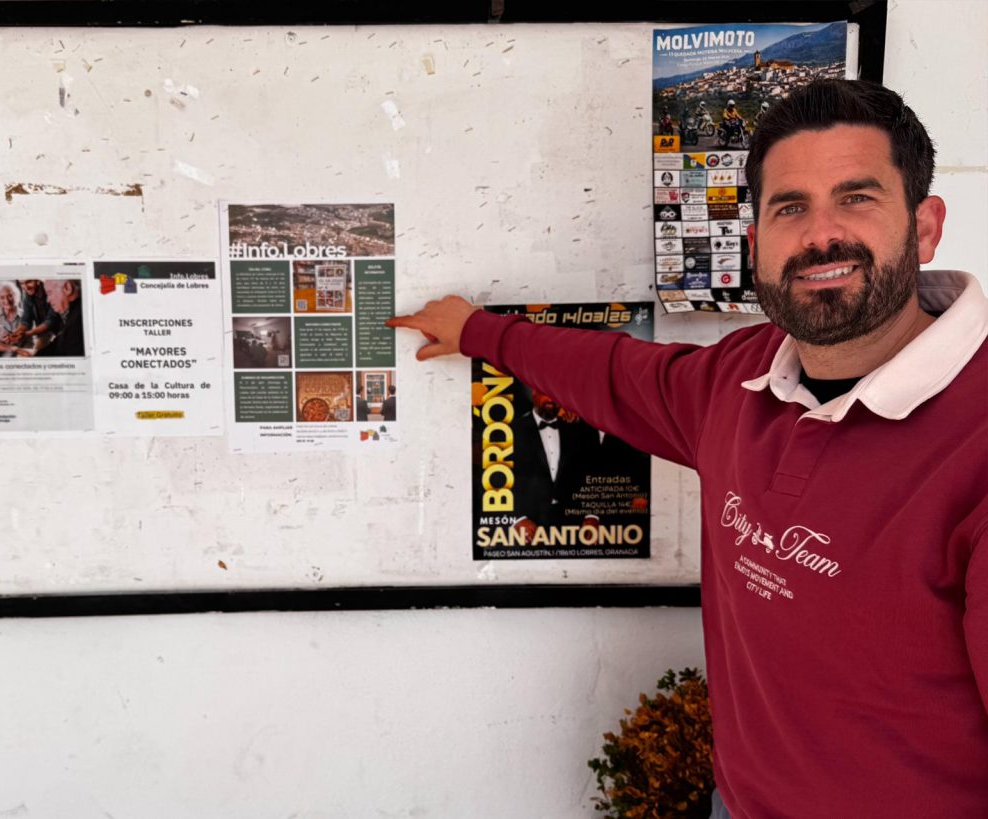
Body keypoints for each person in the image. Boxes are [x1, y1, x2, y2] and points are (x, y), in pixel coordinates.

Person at [388, 80, 988, 816]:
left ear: (925, 227)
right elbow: (613, 375)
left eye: (856, 197)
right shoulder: (739, 377)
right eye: (790, 207)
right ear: (756, 246)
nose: (821, 235)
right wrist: (479, 333)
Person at [509, 389, 599, 543]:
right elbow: (499, 479)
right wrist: (518, 518)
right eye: (545, 393)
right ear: (534, 394)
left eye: (555, 393)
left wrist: (592, 515)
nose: (551, 399)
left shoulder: (580, 428)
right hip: (527, 523)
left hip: (576, 524)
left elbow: (593, 472)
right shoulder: (512, 430)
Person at [38, 279, 84, 356]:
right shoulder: (71, 313)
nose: (47, 300)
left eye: (50, 293)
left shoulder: (77, 322)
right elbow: (58, 343)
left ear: (67, 288)